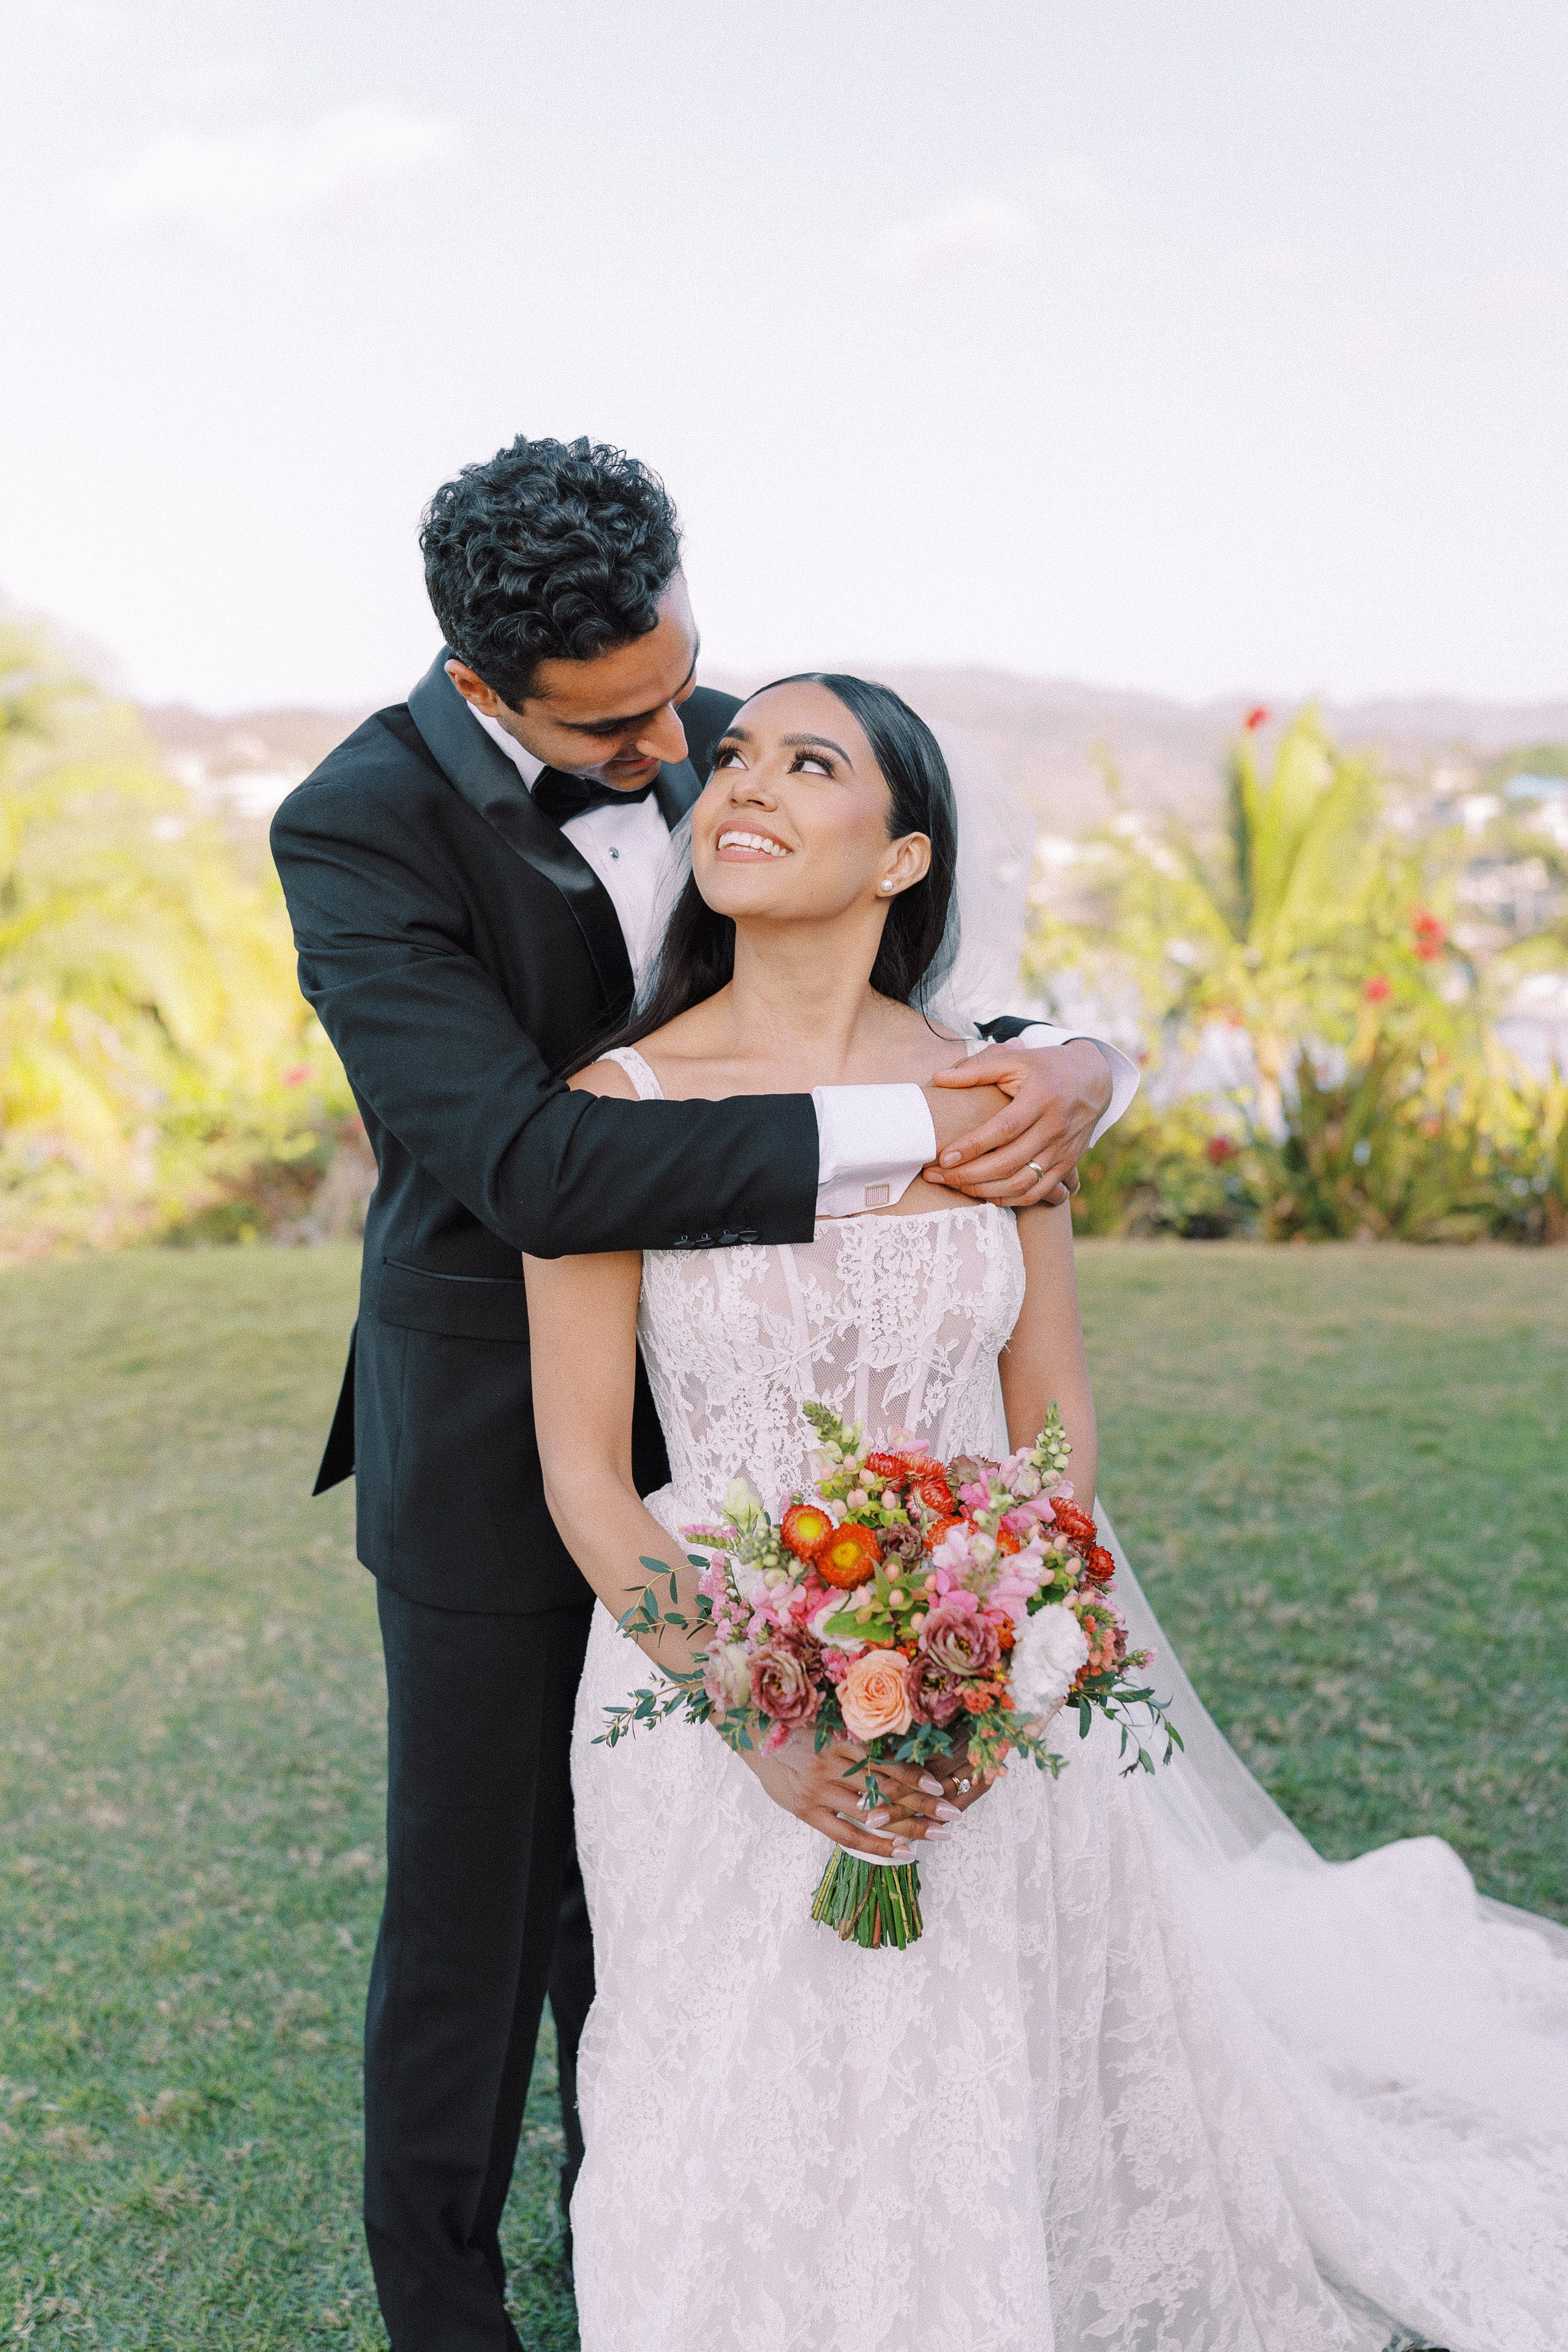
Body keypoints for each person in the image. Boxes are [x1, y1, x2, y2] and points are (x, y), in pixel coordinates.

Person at [524, 671, 1568, 2352]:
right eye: (730, 760)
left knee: (977, 2043)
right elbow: (584, 1470)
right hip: (703, 1666)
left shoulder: (1011, 1098)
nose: (743, 788)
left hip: (983, 1651)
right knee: (726, 2071)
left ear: (900, 857)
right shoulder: (610, 1111)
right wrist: (765, 1713)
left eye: (809, 764)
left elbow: (1052, 1408)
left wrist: (995, 1634)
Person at [268, 434, 1137, 2351]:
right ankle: (454, 2320)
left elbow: (928, 953)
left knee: (683, 1944)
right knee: (479, 1930)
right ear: (492, 688)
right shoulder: (354, 826)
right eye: (626, 730)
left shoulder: (721, 732)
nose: (687, 753)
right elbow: (542, 1171)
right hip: (516, 1428)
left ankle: (686, 2246)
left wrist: (1080, 1062)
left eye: (692, 690)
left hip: (800, 1413)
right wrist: (924, 1133)